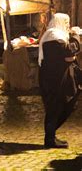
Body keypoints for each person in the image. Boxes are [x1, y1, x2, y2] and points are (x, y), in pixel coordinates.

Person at [38, 13, 79, 148]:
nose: (68, 25)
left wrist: (70, 57)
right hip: (53, 81)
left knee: (63, 105)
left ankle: (51, 136)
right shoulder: (53, 37)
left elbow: (69, 56)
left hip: (57, 78)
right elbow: (69, 54)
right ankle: (49, 139)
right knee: (55, 107)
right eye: (66, 22)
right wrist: (75, 36)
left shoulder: (57, 36)